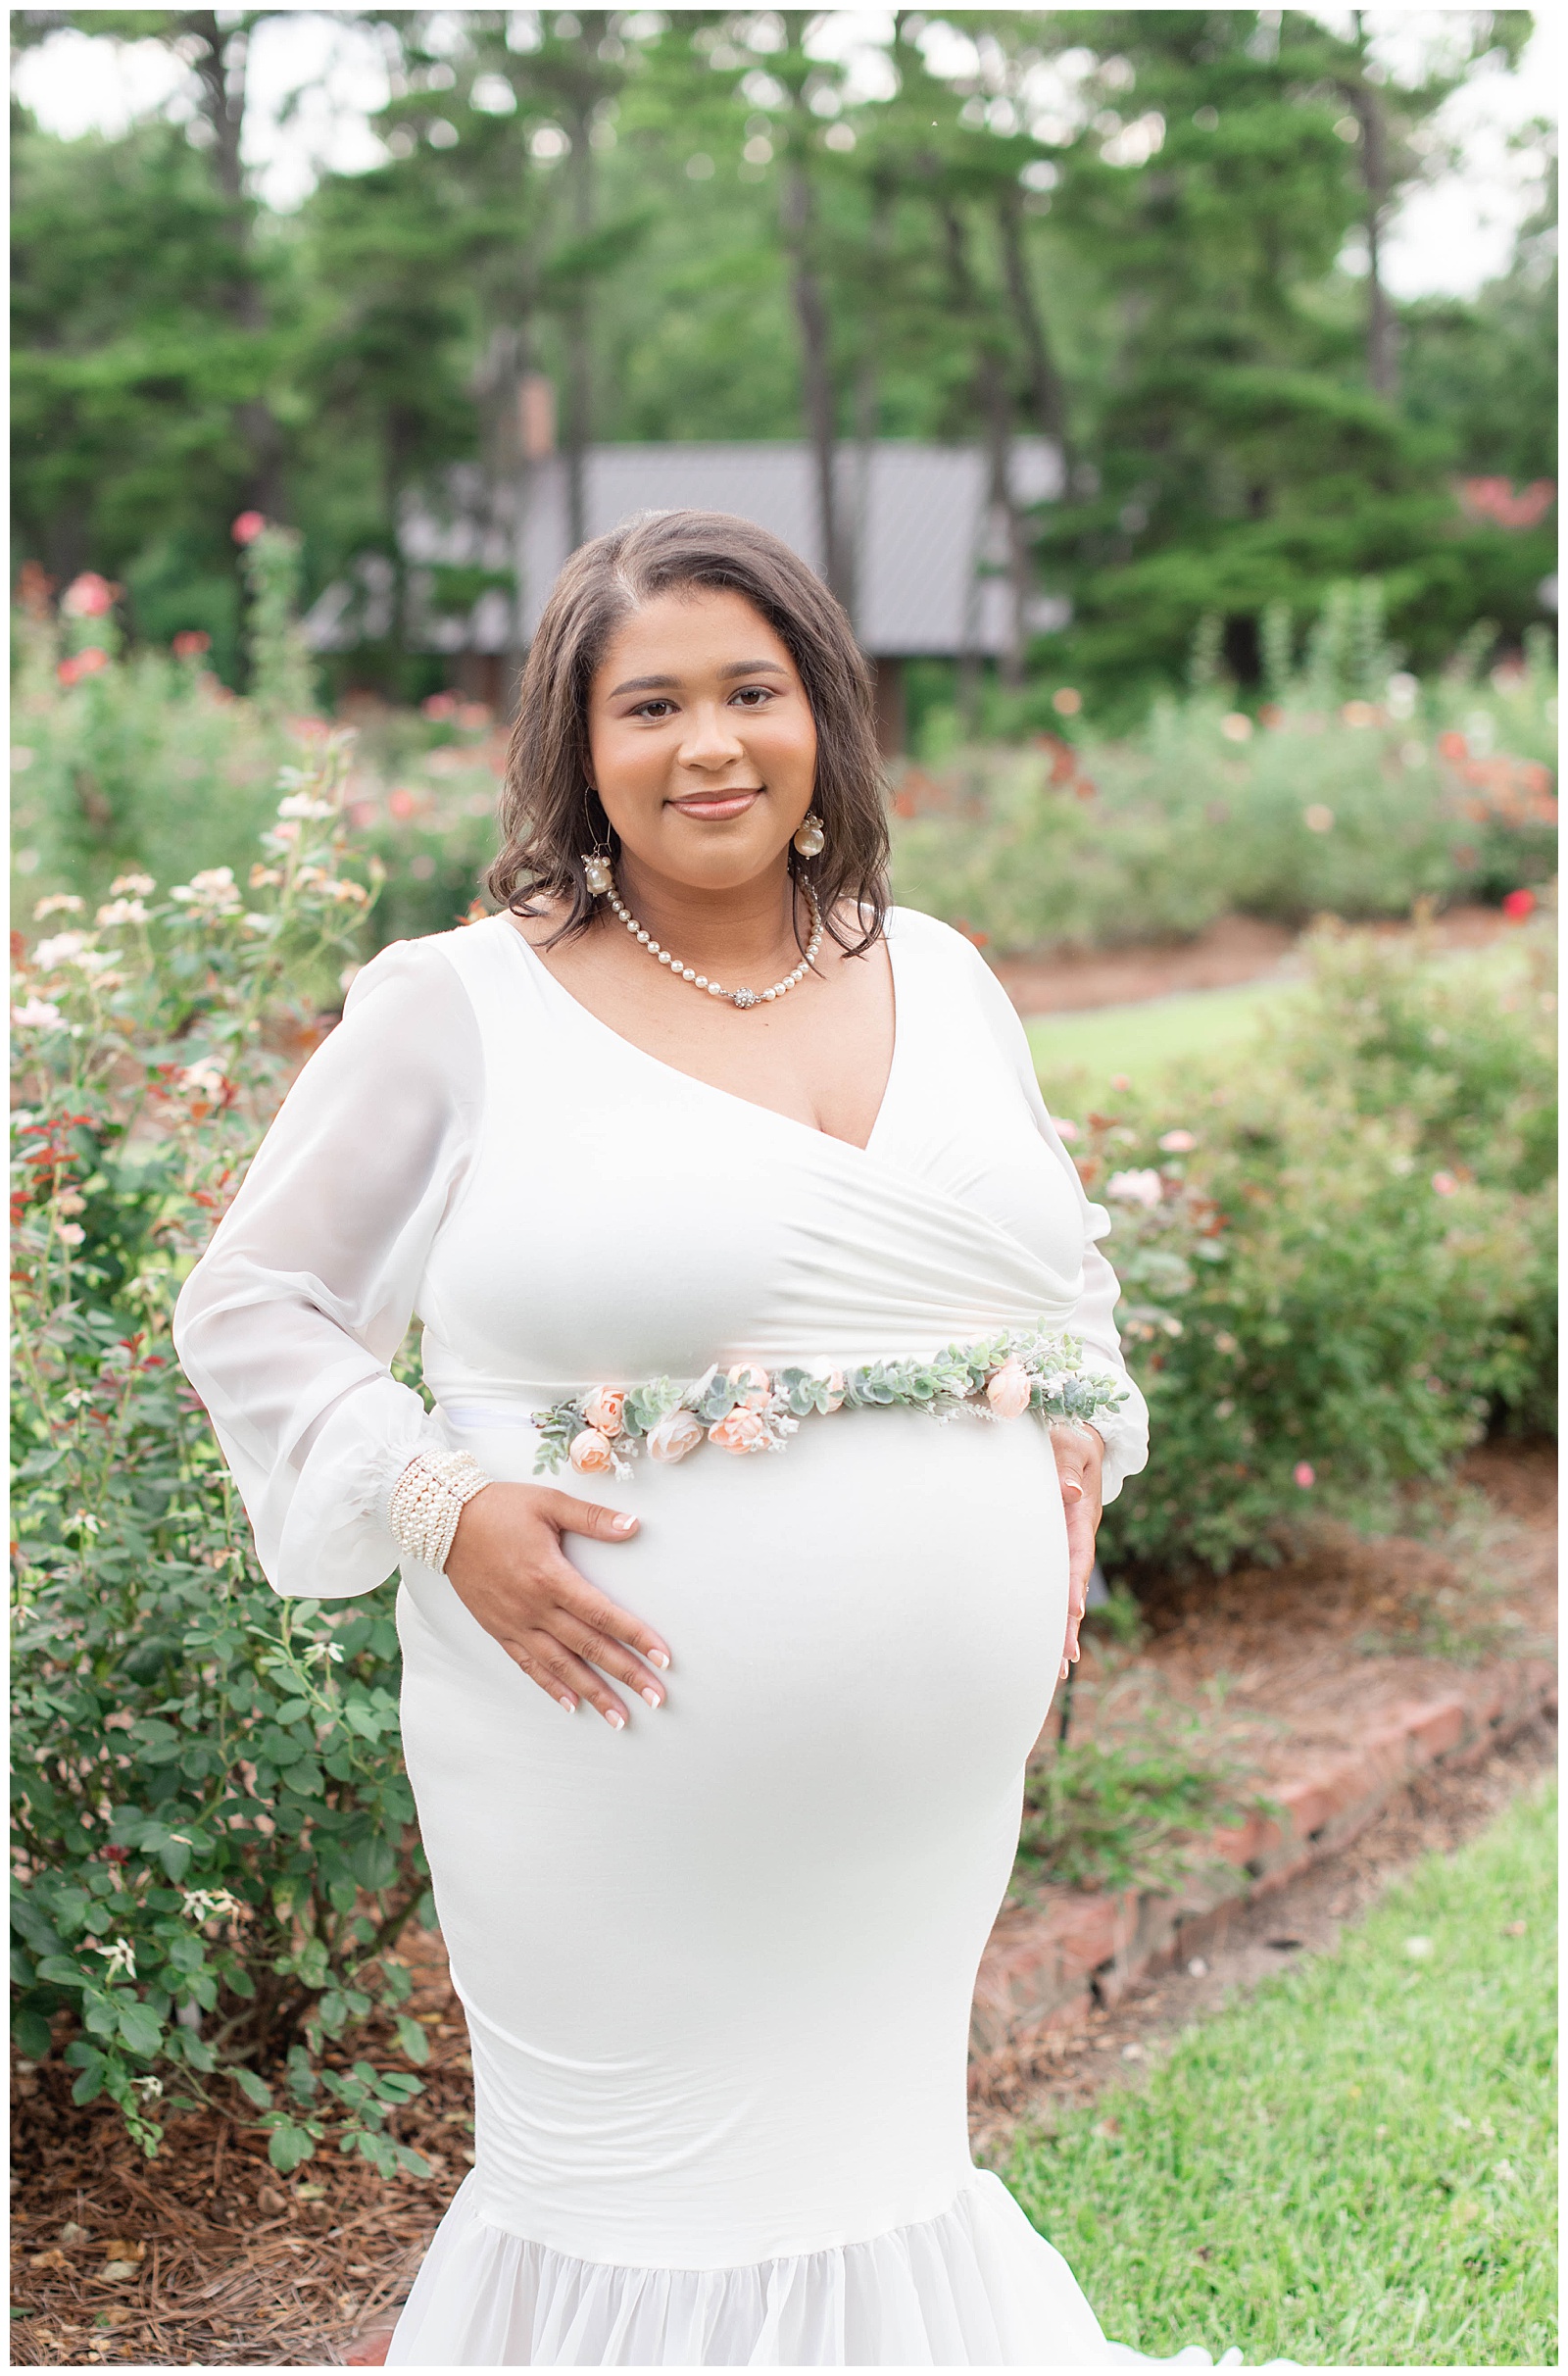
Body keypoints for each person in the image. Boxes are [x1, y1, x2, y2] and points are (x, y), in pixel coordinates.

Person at [175, 509, 1154, 2368]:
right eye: (652, 708)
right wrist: (437, 1499)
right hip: (596, 1746)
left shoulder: (938, 973)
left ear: (822, 720)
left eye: (752, 693)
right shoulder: (455, 1007)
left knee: (877, 2159)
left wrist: (1067, 1513)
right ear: (577, 747)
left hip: (923, 1793)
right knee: (632, 2188)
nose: (709, 747)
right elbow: (252, 1307)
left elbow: (1063, 1278)